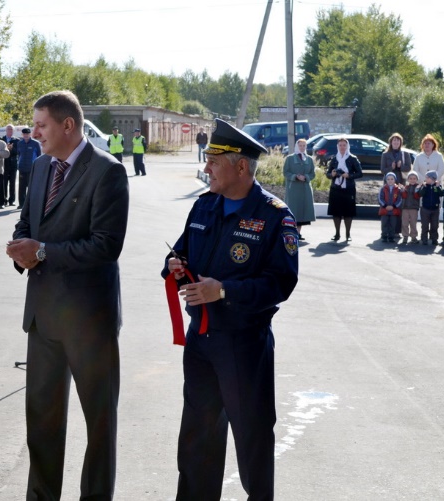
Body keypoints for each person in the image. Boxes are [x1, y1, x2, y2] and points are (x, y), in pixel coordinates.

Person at [163, 118, 298, 501]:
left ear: (241, 166)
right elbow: (180, 254)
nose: (206, 169)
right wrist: (175, 268)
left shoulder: (274, 215)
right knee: (197, 437)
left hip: (243, 344)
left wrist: (223, 291)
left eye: (213, 161)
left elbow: (280, 282)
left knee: (252, 439)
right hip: (202, 342)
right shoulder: (204, 207)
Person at [5, 90, 129, 501]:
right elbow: (27, 221)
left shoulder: (107, 172)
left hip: (88, 323)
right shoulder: (40, 167)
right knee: (41, 421)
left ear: (67, 126)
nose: (33, 132)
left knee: (98, 424)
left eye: (41, 125)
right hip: (43, 319)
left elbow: (105, 246)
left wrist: (41, 252)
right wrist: (22, 249)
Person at [326, 136, 363, 242]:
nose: (342, 147)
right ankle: (337, 233)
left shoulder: (352, 158)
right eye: (340, 145)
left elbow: (360, 173)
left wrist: (349, 175)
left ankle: (348, 234)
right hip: (336, 189)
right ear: (337, 146)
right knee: (336, 212)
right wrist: (332, 174)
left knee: (348, 212)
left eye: (344, 145)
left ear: (347, 146)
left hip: (349, 189)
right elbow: (328, 174)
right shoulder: (334, 159)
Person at [283, 138, 316, 240]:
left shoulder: (309, 159)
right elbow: (285, 172)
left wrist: (306, 177)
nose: (302, 147)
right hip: (293, 189)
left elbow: (312, 173)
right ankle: (291, 232)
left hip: (305, 188)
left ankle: (298, 233)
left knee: (302, 212)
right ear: (297, 146)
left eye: (304, 146)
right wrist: (295, 176)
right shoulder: (290, 158)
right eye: (300, 145)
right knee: (293, 210)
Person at [16, 127, 41, 209]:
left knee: (31, 187)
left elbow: (39, 155)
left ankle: (31, 204)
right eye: (24, 134)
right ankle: (21, 204)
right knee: (22, 187)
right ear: (22, 134)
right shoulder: (20, 143)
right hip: (22, 168)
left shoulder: (35, 143)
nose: (26, 135)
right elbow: (19, 155)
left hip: (32, 168)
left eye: (27, 134)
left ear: (30, 134)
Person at [417, 170, 442, 245]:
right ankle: (424, 238)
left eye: (427, 177)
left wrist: (437, 187)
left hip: (435, 209)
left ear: (432, 178)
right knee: (425, 225)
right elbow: (420, 194)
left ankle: (434, 238)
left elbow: (441, 194)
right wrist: (423, 187)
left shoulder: (437, 186)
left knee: (435, 225)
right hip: (425, 208)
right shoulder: (425, 186)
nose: (425, 179)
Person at [378, 172, 402, 242]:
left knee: (393, 224)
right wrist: (385, 205)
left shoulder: (398, 189)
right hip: (384, 210)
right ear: (386, 180)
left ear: (395, 180)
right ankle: (384, 236)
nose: (390, 181)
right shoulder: (383, 189)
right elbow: (380, 198)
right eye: (388, 179)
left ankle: (391, 236)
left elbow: (399, 199)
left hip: (394, 210)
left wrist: (394, 206)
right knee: (384, 223)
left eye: (392, 179)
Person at [1, 124, 20, 206]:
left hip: (13, 164)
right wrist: (6, 149)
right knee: (4, 183)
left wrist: (11, 149)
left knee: (12, 183)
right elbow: (0, 151)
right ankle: (4, 200)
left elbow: (18, 152)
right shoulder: (1, 140)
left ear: (13, 131)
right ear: (6, 130)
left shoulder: (17, 140)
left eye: (11, 129)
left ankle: (11, 200)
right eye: (8, 129)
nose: (10, 131)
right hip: (4, 164)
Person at [400, 171, 421, 244]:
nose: (412, 180)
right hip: (405, 208)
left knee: (413, 223)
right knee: (405, 223)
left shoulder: (418, 187)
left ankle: (413, 237)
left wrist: (416, 190)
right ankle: (405, 236)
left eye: (414, 178)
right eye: (411, 178)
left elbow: (417, 196)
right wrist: (403, 190)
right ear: (408, 179)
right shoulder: (406, 187)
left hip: (414, 208)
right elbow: (404, 196)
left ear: (417, 179)